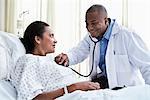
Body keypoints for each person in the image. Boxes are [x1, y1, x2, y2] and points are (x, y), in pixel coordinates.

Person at [55, 4, 150, 89]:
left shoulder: (126, 35)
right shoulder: (91, 38)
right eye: (87, 24)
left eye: (94, 23)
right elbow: (78, 51)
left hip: (125, 89)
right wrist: (67, 57)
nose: (89, 28)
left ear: (105, 21)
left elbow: (146, 64)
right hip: (101, 85)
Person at [10, 21, 100, 100]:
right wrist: (74, 87)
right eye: (51, 36)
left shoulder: (50, 61)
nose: (55, 40)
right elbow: (33, 98)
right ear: (37, 39)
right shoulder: (28, 60)